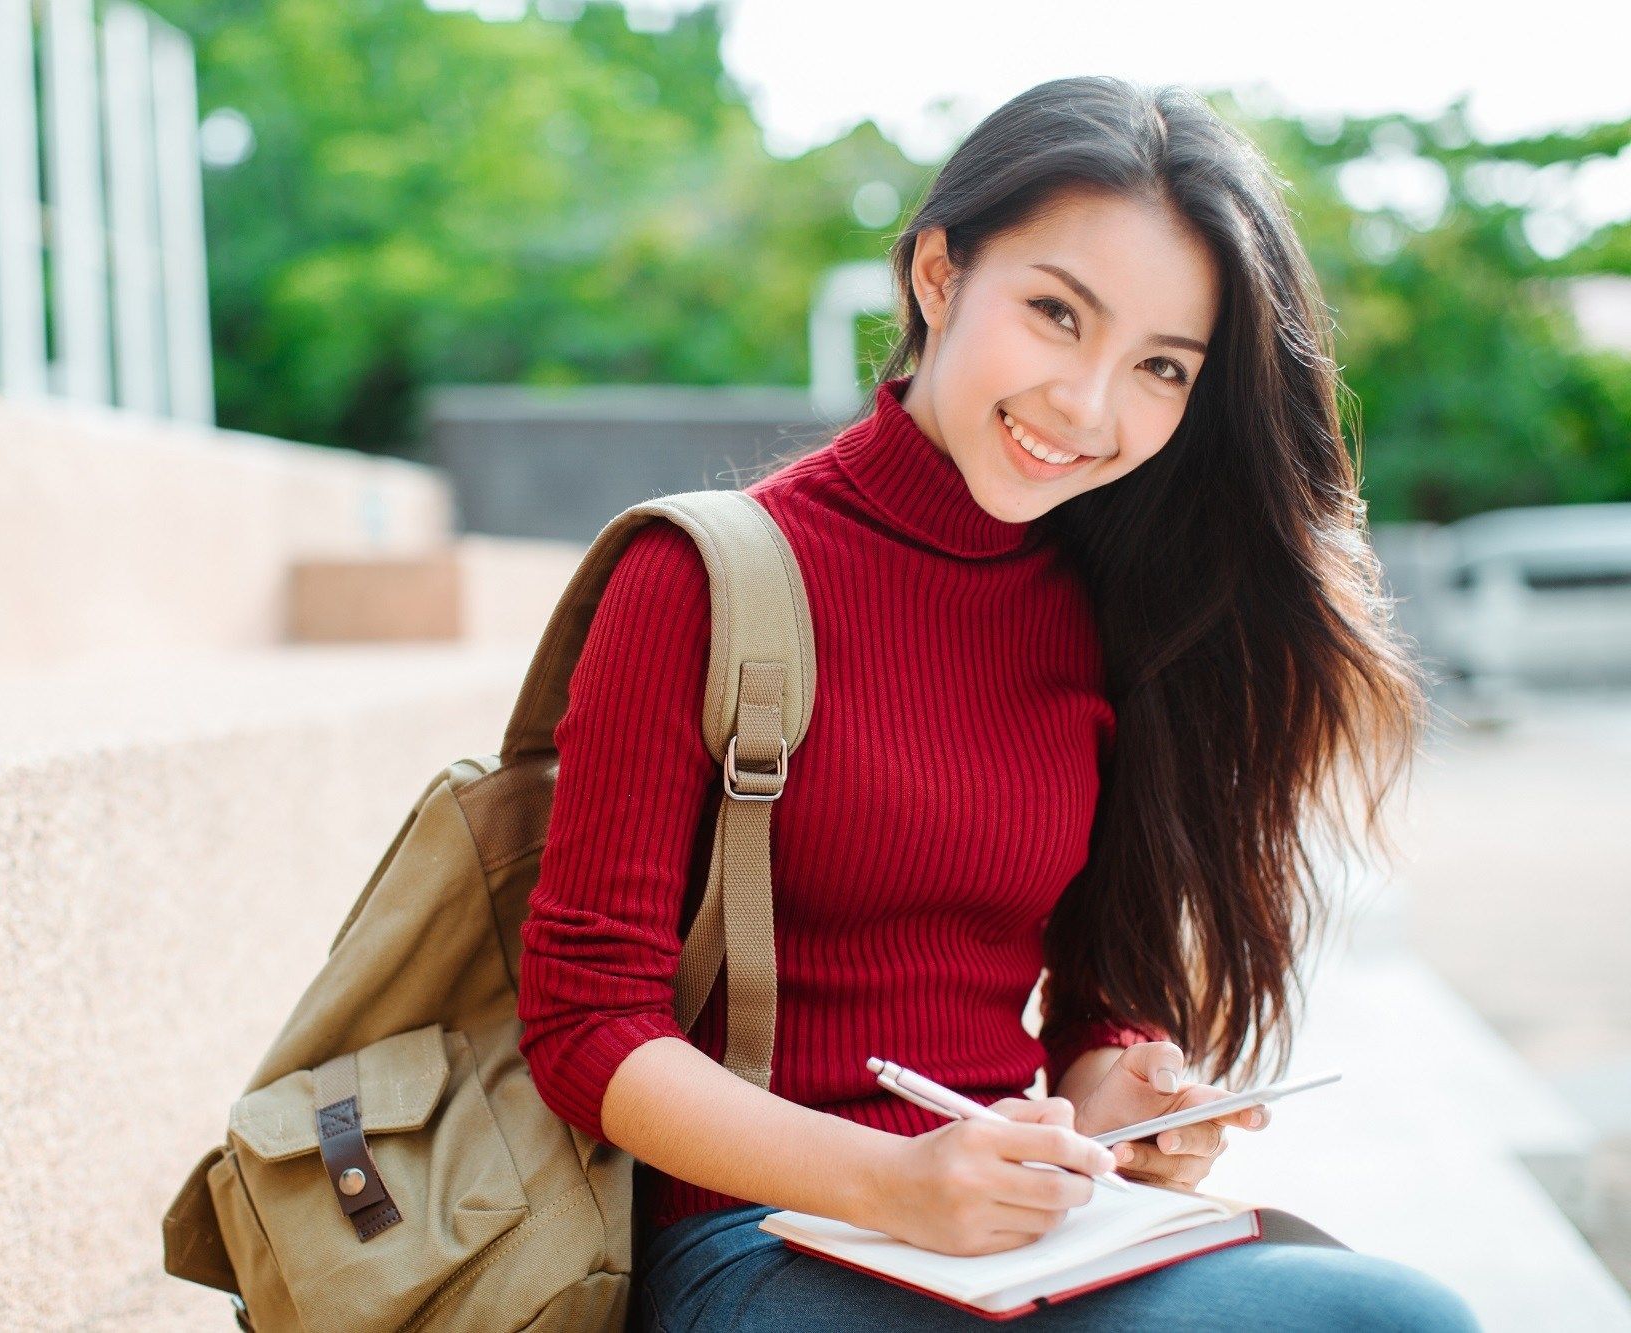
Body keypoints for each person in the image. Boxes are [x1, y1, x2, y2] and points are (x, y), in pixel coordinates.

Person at [515, 75, 1482, 1330]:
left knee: (1398, 1317)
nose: (1086, 407)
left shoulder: (1116, 608)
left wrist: (1122, 1097)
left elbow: (1089, 1005)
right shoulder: (702, 577)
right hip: (756, 1239)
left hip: (1029, 1236)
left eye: (1159, 366)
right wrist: (890, 1178)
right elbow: (585, 1023)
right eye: (1052, 314)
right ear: (935, 276)